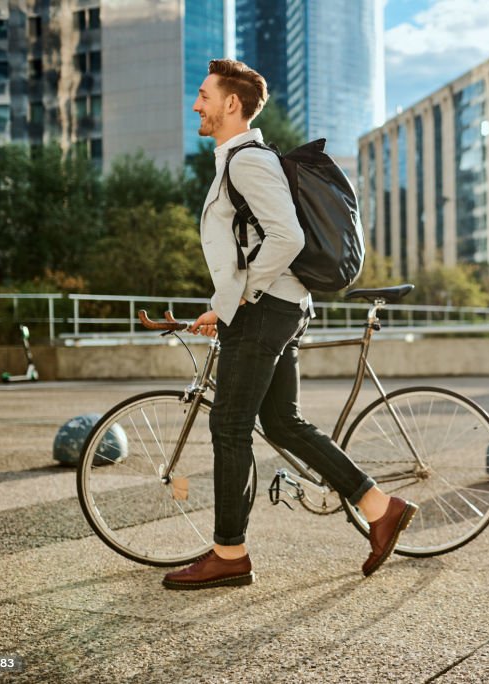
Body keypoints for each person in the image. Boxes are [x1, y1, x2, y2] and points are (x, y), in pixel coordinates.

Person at [162, 59, 417, 590]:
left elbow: (287, 239)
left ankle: (229, 554)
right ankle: (379, 506)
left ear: (232, 104)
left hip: (266, 311)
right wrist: (222, 305)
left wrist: (242, 299)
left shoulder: (247, 161)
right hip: (278, 307)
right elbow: (253, 245)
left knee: (229, 427)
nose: (196, 105)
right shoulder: (240, 160)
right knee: (281, 424)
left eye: (204, 95)